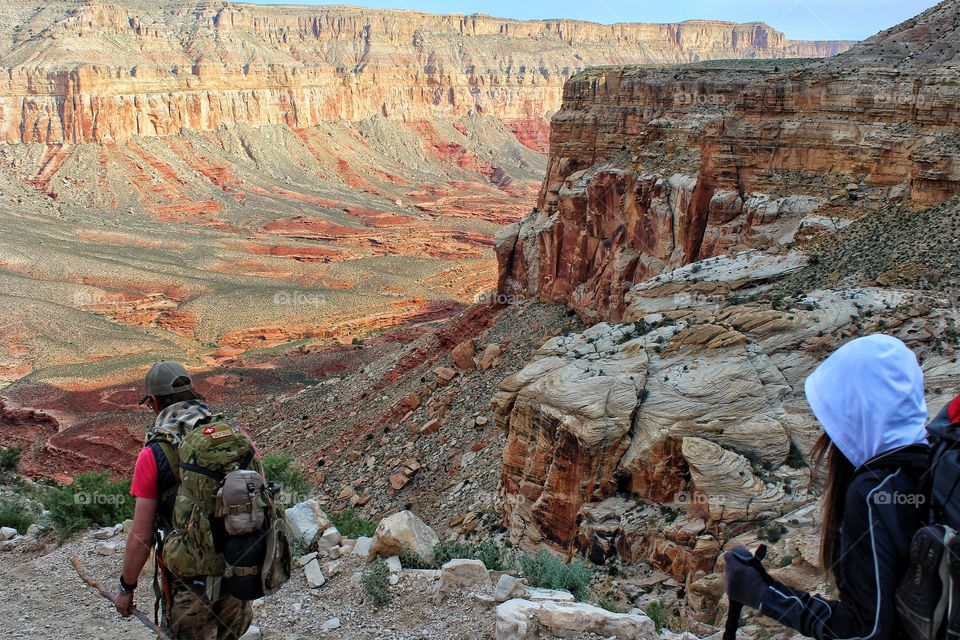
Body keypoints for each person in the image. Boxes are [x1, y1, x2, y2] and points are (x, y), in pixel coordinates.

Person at [724, 334, 930, 640]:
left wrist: (762, 592)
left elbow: (868, 631)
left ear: (853, 409)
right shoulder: (934, 466)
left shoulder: (874, 493)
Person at [115, 360, 254, 639]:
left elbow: (142, 535)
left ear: (154, 402)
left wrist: (126, 588)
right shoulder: (233, 434)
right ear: (193, 392)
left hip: (191, 586)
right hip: (239, 572)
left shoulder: (153, 453)